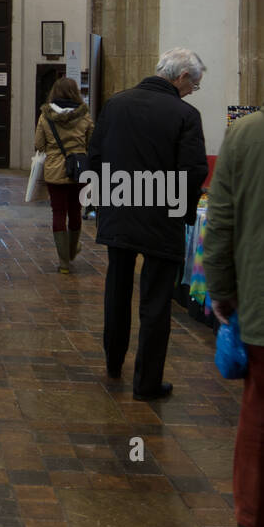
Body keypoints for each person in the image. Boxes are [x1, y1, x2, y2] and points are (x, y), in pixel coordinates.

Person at [88, 48, 208, 401]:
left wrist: (103, 204)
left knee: (117, 289)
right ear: (182, 77)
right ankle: (147, 382)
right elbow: (192, 172)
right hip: (162, 216)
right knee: (156, 302)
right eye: (194, 85)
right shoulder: (185, 114)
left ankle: (113, 361)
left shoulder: (116, 104)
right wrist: (183, 215)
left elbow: (95, 158)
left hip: (120, 209)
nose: (192, 91)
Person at [203, 112, 264, 527]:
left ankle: (253, 521)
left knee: (259, 412)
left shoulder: (246, 133)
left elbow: (220, 222)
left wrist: (221, 291)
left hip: (259, 304)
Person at [34, 76, 93, 273]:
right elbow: (91, 142)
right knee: (75, 210)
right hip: (79, 171)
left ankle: (63, 263)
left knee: (59, 213)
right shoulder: (84, 116)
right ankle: (72, 250)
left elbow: (39, 144)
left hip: (55, 170)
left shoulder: (45, 116)